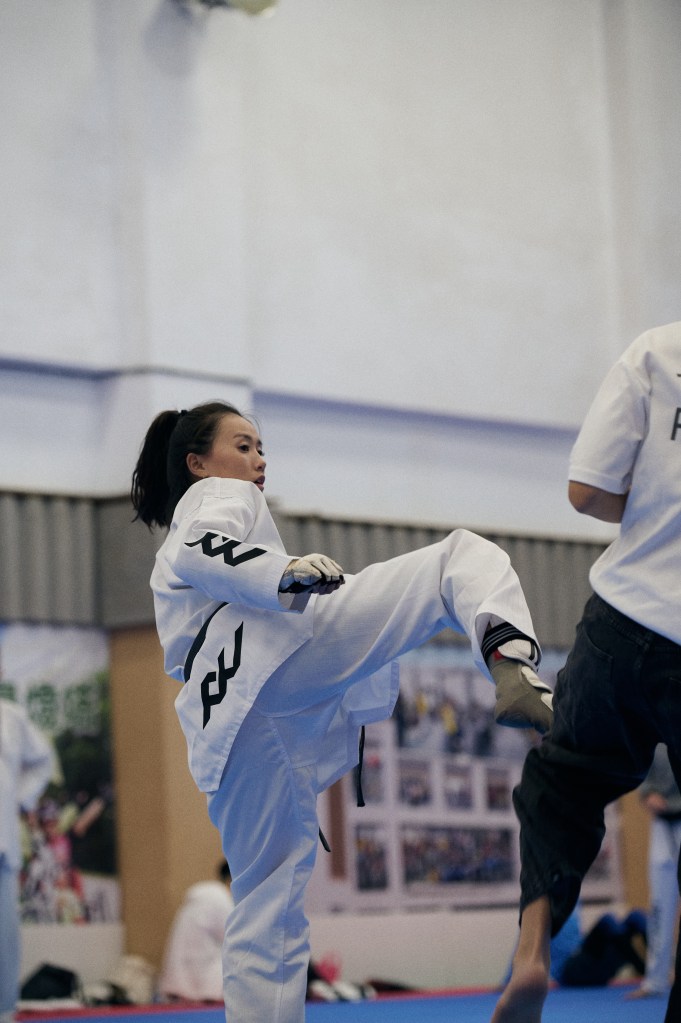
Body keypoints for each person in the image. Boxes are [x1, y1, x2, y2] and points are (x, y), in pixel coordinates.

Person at [131, 399, 553, 1023]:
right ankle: (509, 656)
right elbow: (200, 549)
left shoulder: (176, 542)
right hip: (270, 653)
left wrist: (279, 574)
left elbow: (194, 554)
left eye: (261, 448)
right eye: (243, 446)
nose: (259, 460)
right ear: (198, 463)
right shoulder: (216, 497)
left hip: (227, 724)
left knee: (266, 897)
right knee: (456, 560)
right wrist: (284, 572)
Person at [490, 321, 681, 1023]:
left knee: (561, 784)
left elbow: (586, 491)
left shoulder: (658, 350)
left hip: (625, 618)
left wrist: (655, 509)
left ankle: (531, 950)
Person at [0, 698, 53, 1023]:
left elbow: (42, 760)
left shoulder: (10, 716)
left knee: (4, 939)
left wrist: (19, 798)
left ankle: (4, 1011)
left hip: (2, 845)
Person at [626, 744, 681, 1000]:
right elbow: (642, 771)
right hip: (662, 824)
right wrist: (647, 793)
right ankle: (656, 981)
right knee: (660, 905)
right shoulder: (656, 739)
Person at [158, 860, 234, 1002]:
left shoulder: (202, 894)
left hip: (186, 961)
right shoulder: (220, 897)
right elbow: (232, 935)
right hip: (202, 964)